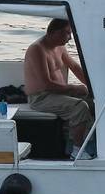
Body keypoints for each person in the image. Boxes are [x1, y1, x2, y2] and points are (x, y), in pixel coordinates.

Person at [23, 18, 95, 157]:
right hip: (41, 97)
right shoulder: (37, 49)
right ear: (55, 32)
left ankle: (91, 143)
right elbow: (46, 84)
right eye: (67, 33)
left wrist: (92, 87)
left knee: (94, 101)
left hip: (59, 93)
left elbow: (74, 67)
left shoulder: (60, 47)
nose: (70, 38)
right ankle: (76, 150)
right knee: (80, 107)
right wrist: (75, 88)